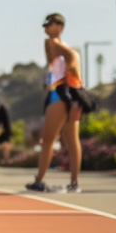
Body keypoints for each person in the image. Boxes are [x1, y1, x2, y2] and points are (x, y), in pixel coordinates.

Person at [27, 13, 95, 193]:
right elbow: (71, 58)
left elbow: (71, 57)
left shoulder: (52, 44)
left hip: (60, 95)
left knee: (48, 140)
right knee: (72, 141)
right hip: (74, 96)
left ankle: (39, 180)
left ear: (58, 26)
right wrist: (71, 68)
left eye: (48, 25)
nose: (45, 29)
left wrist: (70, 66)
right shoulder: (62, 46)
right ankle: (74, 183)